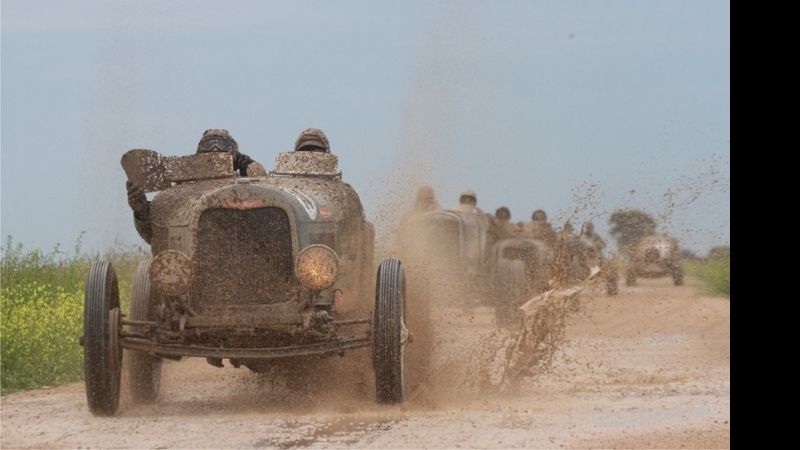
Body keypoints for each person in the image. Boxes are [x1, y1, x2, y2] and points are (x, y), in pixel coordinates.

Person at [126, 129, 261, 244]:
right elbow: (155, 238)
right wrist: (142, 212)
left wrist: (249, 167)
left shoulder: (251, 192)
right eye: (209, 159)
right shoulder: (180, 196)